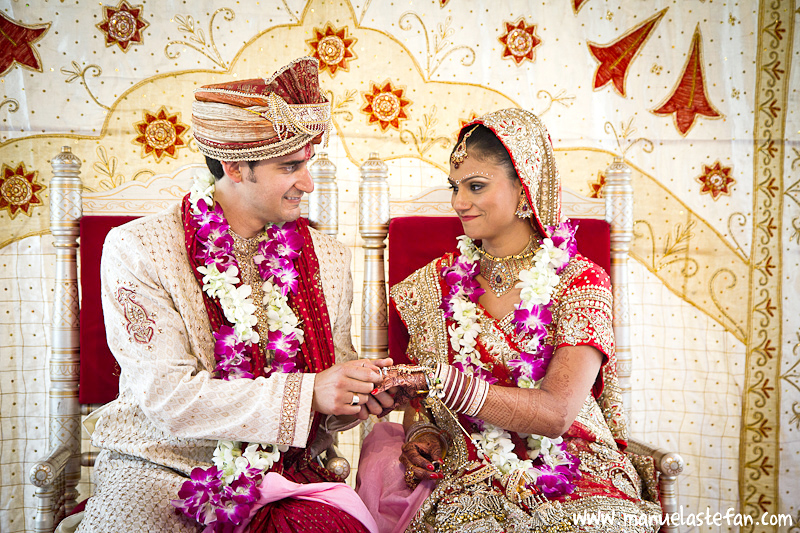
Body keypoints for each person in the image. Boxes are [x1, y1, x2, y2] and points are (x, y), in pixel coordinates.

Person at [76, 57, 393, 533]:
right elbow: (165, 397)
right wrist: (310, 392)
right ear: (234, 167)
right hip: (159, 469)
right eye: (291, 167)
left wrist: (357, 398)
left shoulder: (328, 257)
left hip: (283, 474)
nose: (307, 183)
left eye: (308, 164)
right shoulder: (138, 248)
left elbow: (327, 393)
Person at [356, 108, 662, 532]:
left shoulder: (580, 282)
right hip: (472, 474)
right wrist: (423, 437)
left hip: (575, 469)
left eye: (476, 186)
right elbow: (423, 410)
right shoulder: (431, 285)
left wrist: (441, 381)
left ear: (524, 189)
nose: (459, 202)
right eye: (455, 187)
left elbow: (556, 414)